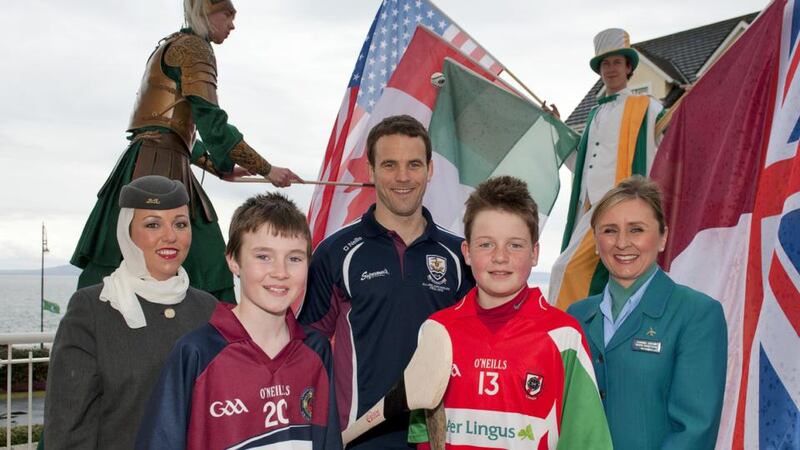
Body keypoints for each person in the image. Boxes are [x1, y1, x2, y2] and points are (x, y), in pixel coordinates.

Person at [70, 0, 301, 303]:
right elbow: (212, 123)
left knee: (128, 260)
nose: (232, 24)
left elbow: (172, 130)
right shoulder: (194, 49)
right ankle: (217, 342)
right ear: (205, 12)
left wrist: (222, 168)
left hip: (147, 162)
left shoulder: (172, 45)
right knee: (206, 264)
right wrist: (268, 170)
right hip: (160, 167)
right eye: (226, 14)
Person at [297, 114, 473, 449]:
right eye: (390, 164)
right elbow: (309, 350)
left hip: (442, 438)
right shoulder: (335, 252)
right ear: (371, 169)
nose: (403, 177)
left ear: (430, 170)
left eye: (414, 164)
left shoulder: (458, 254)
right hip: (360, 437)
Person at [415, 176, 612, 449]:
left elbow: (587, 443)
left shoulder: (564, 336)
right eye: (486, 244)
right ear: (467, 252)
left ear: (535, 253)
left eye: (515, 245)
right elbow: (423, 436)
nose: (500, 257)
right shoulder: (436, 331)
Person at [136, 192, 341, 449]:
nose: (280, 272)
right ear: (233, 260)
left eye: (295, 258)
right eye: (263, 256)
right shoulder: (196, 354)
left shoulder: (317, 351)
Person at [43, 175, 218, 449]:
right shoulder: (91, 309)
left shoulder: (209, 309)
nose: (170, 236)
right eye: (152, 224)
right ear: (127, 232)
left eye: (180, 224)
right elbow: (68, 428)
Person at [567, 175, 727, 450]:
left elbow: (695, 430)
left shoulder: (698, 314)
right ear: (595, 242)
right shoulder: (576, 315)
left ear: (662, 237)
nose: (622, 243)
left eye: (636, 229)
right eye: (609, 230)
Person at [550, 28, 666, 310]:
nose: (611, 68)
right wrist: (556, 128)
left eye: (616, 62)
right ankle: (568, 331)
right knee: (566, 269)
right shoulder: (594, 114)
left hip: (620, 205)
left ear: (628, 68)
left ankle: (562, 328)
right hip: (590, 211)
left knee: (567, 269)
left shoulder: (648, 107)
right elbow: (581, 167)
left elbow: (668, 145)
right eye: (605, 63)